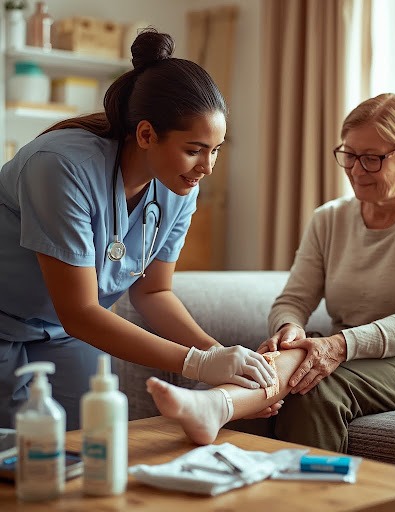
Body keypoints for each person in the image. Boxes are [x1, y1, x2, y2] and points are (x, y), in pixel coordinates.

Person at [143, 93, 395, 452]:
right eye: (349, 155)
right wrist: (290, 329)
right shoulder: (330, 218)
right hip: (358, 355)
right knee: (263, 368)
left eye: (372, 159)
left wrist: (337, 345)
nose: (355, 170)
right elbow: (294, 299)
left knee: (313, 387)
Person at [0, 28, 276, 431]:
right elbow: (80, 311)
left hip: (61, 332)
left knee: (95, 443)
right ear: (146, 134)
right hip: (22, 320)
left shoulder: (178, 187)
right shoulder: (60, 167)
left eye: (215, 150)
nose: (207, 167)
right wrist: (195, 362)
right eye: (194, 149)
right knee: (19, 464)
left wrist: (223, 360)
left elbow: (153, 292)